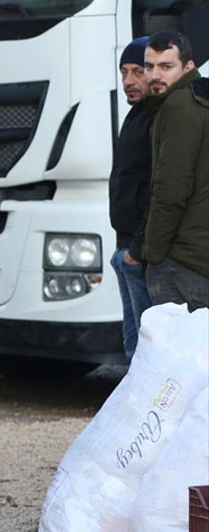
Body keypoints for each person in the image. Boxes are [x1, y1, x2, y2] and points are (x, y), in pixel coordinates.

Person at [142, 29, 209, 311]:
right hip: (194, 256)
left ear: (188, 67)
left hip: (182, 260)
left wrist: (152, 253)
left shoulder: (180, 105)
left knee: (175, 352)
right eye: (149, 66)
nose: (155, 75)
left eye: (166, 66)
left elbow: (171, 188)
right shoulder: (196, 99)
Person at [107, 36, 154, 359]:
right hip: (125, 247)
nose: (128, 81)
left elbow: (159, 189)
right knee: (132, 347)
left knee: (144, 351)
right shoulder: (136, 115)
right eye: (124, 72)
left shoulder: (156, 118)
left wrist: (136, 250)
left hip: (140, 252)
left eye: (138, 71)